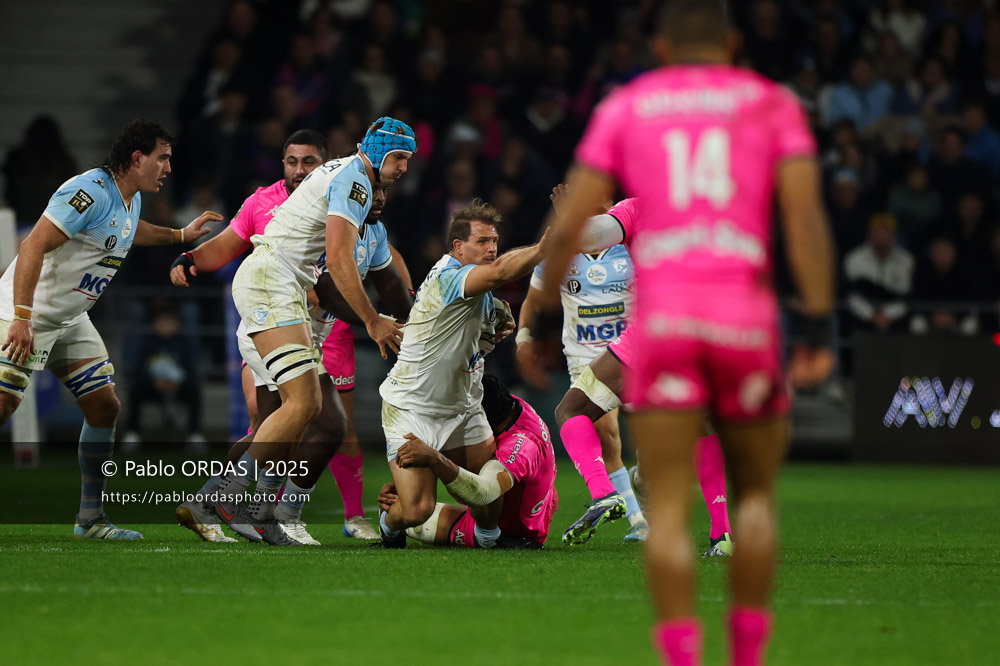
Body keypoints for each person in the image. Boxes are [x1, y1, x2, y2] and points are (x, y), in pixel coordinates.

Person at [532, 3, 835, 664]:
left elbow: (585, 226)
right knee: (755, 497)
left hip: (664, 325)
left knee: (664, 506)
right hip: (745, 321)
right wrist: (817, 325)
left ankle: (682, 656)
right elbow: (805, 217)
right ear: (731, 42)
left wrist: (542, 306)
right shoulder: (772, 104)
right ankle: (747, 652)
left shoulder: (629, 106)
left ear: (663, 48)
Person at [0, 118, 220, 539]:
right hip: (22, 312)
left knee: (106, 407)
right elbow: (31, 245)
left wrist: (180, 234)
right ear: (137, 158)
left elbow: (128, 231)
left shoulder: (129, 197)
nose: (168, 168)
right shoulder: (88, 191)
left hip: (69, 319)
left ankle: (90, 519)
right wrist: (23, 317)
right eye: (163, 158)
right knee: (3, 406)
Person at [216, 117, 415, 534]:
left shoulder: (368, 224)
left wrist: (420, 326)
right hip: (275, 290)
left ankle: (266, 514)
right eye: (398, 159)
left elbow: (392, 289)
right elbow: (335, 269)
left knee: (313, 420)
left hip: (282, 294)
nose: (402, 171)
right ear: (377, 156)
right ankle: (226, 502)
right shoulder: (353, 181)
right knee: (300, 415)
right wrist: (372, 321)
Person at [377, 199, 546, 549]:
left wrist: (497, 328)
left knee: (485, 490)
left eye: (494, 240)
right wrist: (547, 247)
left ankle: (487, 539)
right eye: (482, 241)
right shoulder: (449, 277)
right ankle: (388, 523)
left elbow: (473, 342)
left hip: (463, 407)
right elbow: (501, 271)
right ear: (458, 247)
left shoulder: (480, 292)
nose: (492, 248)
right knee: (417, 510)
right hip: (412, 409)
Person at [517, 192, 647, 543]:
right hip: (584, 357)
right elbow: (531, 301)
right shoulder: (562, 252)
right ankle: (637, 521)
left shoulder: (628, 245)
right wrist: (523, 337)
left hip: (632, 355)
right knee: (607, 440)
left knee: (650, 449)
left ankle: (640, 487)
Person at [378, 375, 557, 549]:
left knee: (418, 511)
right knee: (414, 506)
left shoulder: (520, 445)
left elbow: (484, 492)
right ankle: (389, 518)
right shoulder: (508, 404)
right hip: (532, 509)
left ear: (485, 419)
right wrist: (408, 483)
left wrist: (434, 458)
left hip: (516, 529)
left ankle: (487, 537)